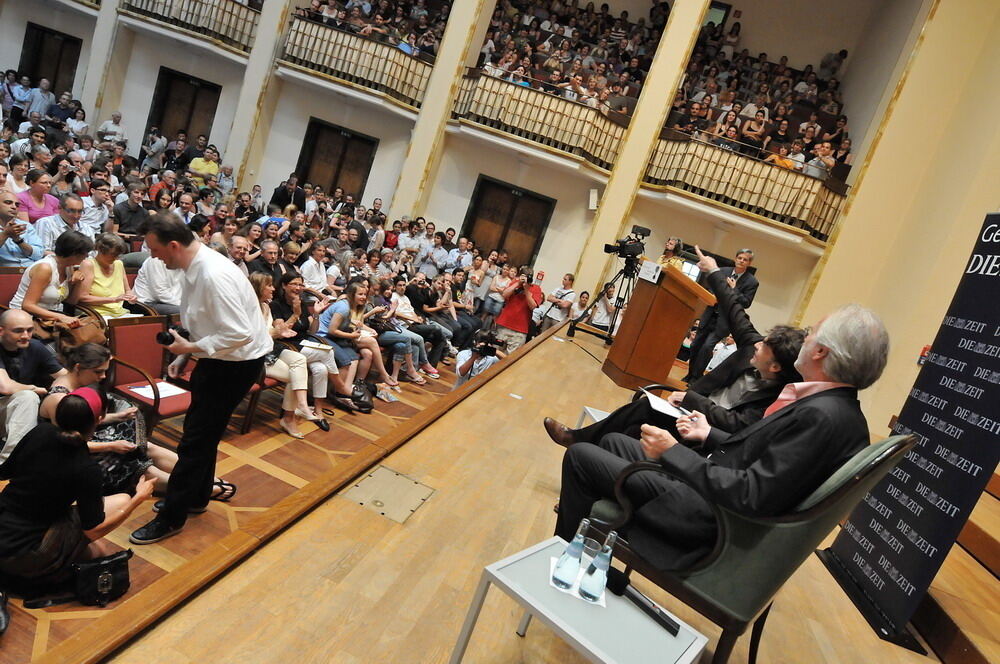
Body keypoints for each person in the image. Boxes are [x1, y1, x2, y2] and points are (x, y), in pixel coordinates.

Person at [554, 301, 889, 571]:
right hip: (715, 497)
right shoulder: (836, 410)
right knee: (614, 442)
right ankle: (598, 555)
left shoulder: (821, 417)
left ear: (821, 352)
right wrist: (708, 434)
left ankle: (567, 561)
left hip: (709, 518)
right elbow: (763, 459)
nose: (807, 337)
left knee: (582, 457)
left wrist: (672, 451)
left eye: (813, 332)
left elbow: (751, 494)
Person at [129, 215, 271, 545]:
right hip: (219, 360)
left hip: (235, 364)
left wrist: (191, 348)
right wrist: (185, 355)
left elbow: (239, 333)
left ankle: (172, 517)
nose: (152, 256)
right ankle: (196, 497)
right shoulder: (194, 265)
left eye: (154, 249)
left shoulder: (212, 274)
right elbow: (205, 322)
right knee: (201, 434)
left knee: (194, 441)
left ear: (174, 245)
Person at [0, 389, 155, 598]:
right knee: (118, 508)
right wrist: (138, 499)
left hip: (4, 527)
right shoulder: (86, 469)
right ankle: (46, 572)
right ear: (99, 420)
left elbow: (5, 472)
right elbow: (93, 530)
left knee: (95, 547)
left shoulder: (40, 432)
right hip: (25, 554)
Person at [249, 273, 330, 437]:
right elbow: (262, 335)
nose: (273, 288)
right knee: (306, 367)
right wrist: (292, 318)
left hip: (272, 349)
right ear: (259, 287)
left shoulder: (265, 306)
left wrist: (280, 330)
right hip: (255, 356)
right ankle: (293, 413)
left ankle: (299, 408)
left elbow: (275, 332)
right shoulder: (252, 307)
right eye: (269, 285)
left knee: (302, 363)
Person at [0, 309, 66, 471]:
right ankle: (8, 463)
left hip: (14, 410)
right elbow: (5, 387)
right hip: (6, 404)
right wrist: (34, 388)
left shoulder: (35, 346)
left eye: (29, 330)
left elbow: (65, 376)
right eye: (18, 331)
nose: (25, 335)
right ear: (1, 331)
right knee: (28, 397)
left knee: (48, 399)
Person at [684, 248, 758, 382]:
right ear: (735, 258)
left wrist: (734, 289)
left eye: (745, 259)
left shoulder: (752, 282)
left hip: (724, 320)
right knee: (696, 345)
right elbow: (710, 288)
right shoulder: (723, 271)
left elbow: (746, 303)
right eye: (739, 258)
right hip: (709, 314)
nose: (741, 261)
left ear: (749, 263)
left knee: (707, 347)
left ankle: (696, 378)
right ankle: (690, 374)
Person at [10, 230, 92, 328]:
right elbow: (27, 305)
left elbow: (71, 302)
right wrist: (61, 317)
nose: (87, 256)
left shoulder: (68, 267)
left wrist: (79, 282)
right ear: (74, 253)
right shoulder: (45, 268)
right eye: (85, 253)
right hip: (25, 319)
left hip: (50, 318)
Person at [76, 233, 139, 319]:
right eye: (113, 254)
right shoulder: (88, 264)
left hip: (119, 313)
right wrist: (114, 299)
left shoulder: (119, 264)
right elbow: (82, 297)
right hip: (96, 314)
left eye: (118, 255)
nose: (116, 258)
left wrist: (131, 297)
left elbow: (127, 291)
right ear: (101, 250)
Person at [494, 265, 542, 352]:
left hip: (520, 331)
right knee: (494, 352)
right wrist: (518, 283)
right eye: (523, 276)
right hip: (504, 324)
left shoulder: (536, 289)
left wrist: (527, 290)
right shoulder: (514, 283)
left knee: (509, 358)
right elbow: (504, 294)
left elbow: (532, 306)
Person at [0, 188, 43, 267]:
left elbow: (38, 255)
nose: (14, 207)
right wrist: (6, 234)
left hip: (30, 270)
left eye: (17, 205)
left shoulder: (26, 226)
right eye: (8, 203)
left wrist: (19, 241)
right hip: (5, 272)